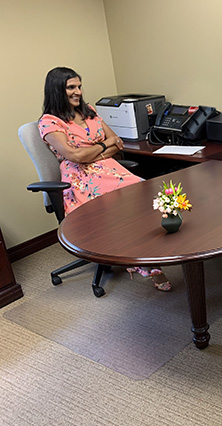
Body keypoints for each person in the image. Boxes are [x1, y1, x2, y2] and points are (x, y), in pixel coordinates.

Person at [38, 66, 172, 291]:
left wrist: (94, 152)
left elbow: (117, 141)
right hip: (81, 179)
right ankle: (148, 265)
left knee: (146, 194)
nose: (77, 92)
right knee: (123, 211)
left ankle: (149, 252)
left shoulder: (88, 110)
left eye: (79, 86)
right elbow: (75, 157)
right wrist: (102, 146)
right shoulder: (50, 123)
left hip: (109, 169)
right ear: (57, 90)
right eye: (71, 87)